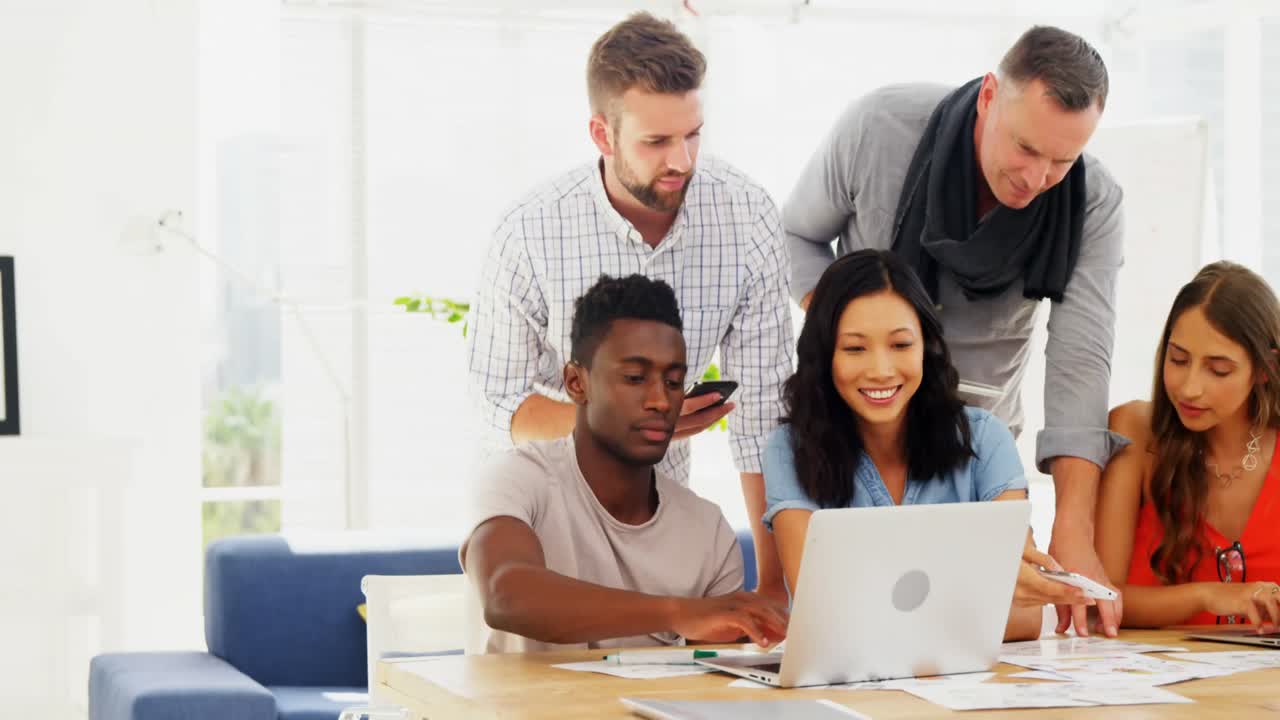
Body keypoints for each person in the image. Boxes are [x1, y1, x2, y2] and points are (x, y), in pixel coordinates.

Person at [782, 25, 1125, 636]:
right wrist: (859, 335)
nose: (1038, 177)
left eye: (1062, 159)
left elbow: (1081, 354)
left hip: (971, 454)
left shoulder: (1091, 198)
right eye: (1025, 148)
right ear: (990, 95)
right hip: (856, 432)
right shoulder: (878, 128)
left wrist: (1074, 525)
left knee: (988, 630)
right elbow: (792, 236)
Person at [467, 12, 793, 604]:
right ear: (603, 134)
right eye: (657, 142)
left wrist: (775, 585)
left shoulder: (747, 218)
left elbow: (763, 417)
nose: (683, 161)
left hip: (662, 524)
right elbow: (496, 403)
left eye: (694, 133)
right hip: (547, 516)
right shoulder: (530, 231)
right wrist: (632, 423)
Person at [763, 250, 1088, 642]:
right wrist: (976, 585)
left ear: (927, 346)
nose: (881, 369)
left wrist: (876, 604)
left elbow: (1023, 618)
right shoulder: (790, 449)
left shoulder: (986, 439)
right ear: (824, 354)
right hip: (841, 692)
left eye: (901, 345)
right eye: (854, 348)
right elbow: (824, 613)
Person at [462, 274, 789, 653]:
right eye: (635, 378)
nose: (661, 402)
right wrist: (677, 613)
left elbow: (709, 682)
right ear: (575, 382)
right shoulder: (517, 478)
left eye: (673, 382)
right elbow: (507, 596)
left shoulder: (707, 531)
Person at [1097, 262, 1280, 630]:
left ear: (1264, 370)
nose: (1189, 387)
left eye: (1218, 370)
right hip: (1152, 682)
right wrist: (1206, 595)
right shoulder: (1134, 431)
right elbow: (1099, 599)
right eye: (1178, 359)